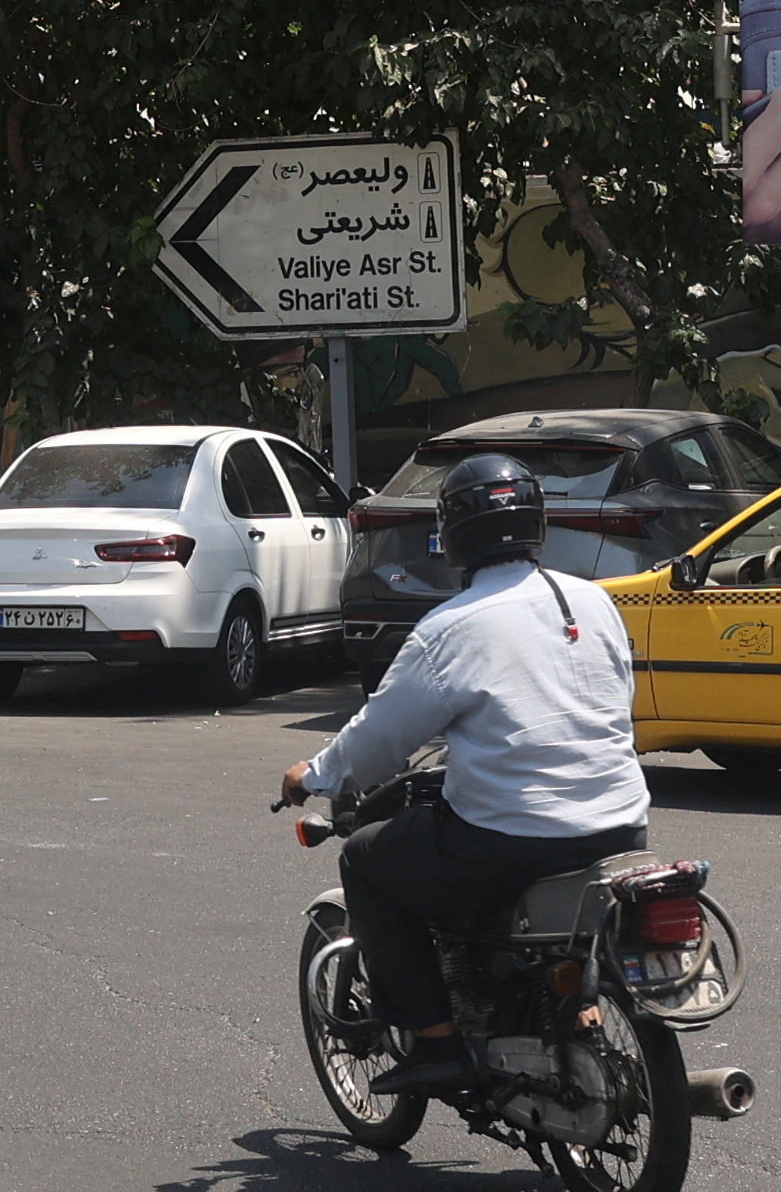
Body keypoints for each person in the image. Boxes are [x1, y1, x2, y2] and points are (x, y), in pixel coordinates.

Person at [277, 449, 648, 1101]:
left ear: (452, 534)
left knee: (367, 858)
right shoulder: (594, 601)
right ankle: (574, 1006)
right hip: (621, 822)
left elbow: (381, 736)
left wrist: (317, 772)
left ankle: (438, 1041)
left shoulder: (450, 626)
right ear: (536, 521)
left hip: (515, 838)